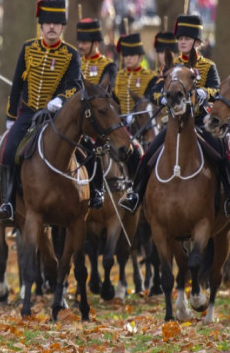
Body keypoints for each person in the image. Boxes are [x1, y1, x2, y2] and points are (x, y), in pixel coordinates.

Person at [120, 14, 226, 214]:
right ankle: (135, 194)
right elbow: (154, 91)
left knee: (221, 155)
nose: (182, 42)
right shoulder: (171, 66)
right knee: (148, 155)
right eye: (180, 38)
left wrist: (205, 93)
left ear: (197, 41)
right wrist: (160, 97)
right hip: (175, 123)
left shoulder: (208, 66)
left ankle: (227, 195)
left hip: (200, 122)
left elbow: (216, 90)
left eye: (187, 38)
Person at [0, 0, 82, 224]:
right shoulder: (27, 49)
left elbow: (75, 85)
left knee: (84, 149)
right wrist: (10, 117)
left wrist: (60, 100)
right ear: (41, 26)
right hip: (28, 113)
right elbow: (16, 86)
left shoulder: (71, 55)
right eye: (47, 23)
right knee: (8, 151)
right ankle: (8, 202)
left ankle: (88, 195)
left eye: (56, 23)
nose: (51, 27)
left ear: (62, 27)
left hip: (57, 116)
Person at [75, 17, 116, 209]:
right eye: (80, 41)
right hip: (76, 119)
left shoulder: (108, 66)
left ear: (95, 43)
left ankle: (98, 188)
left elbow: (107, 94)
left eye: (85, 42)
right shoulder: (74, 63)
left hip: (100, 119)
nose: (81, 45)